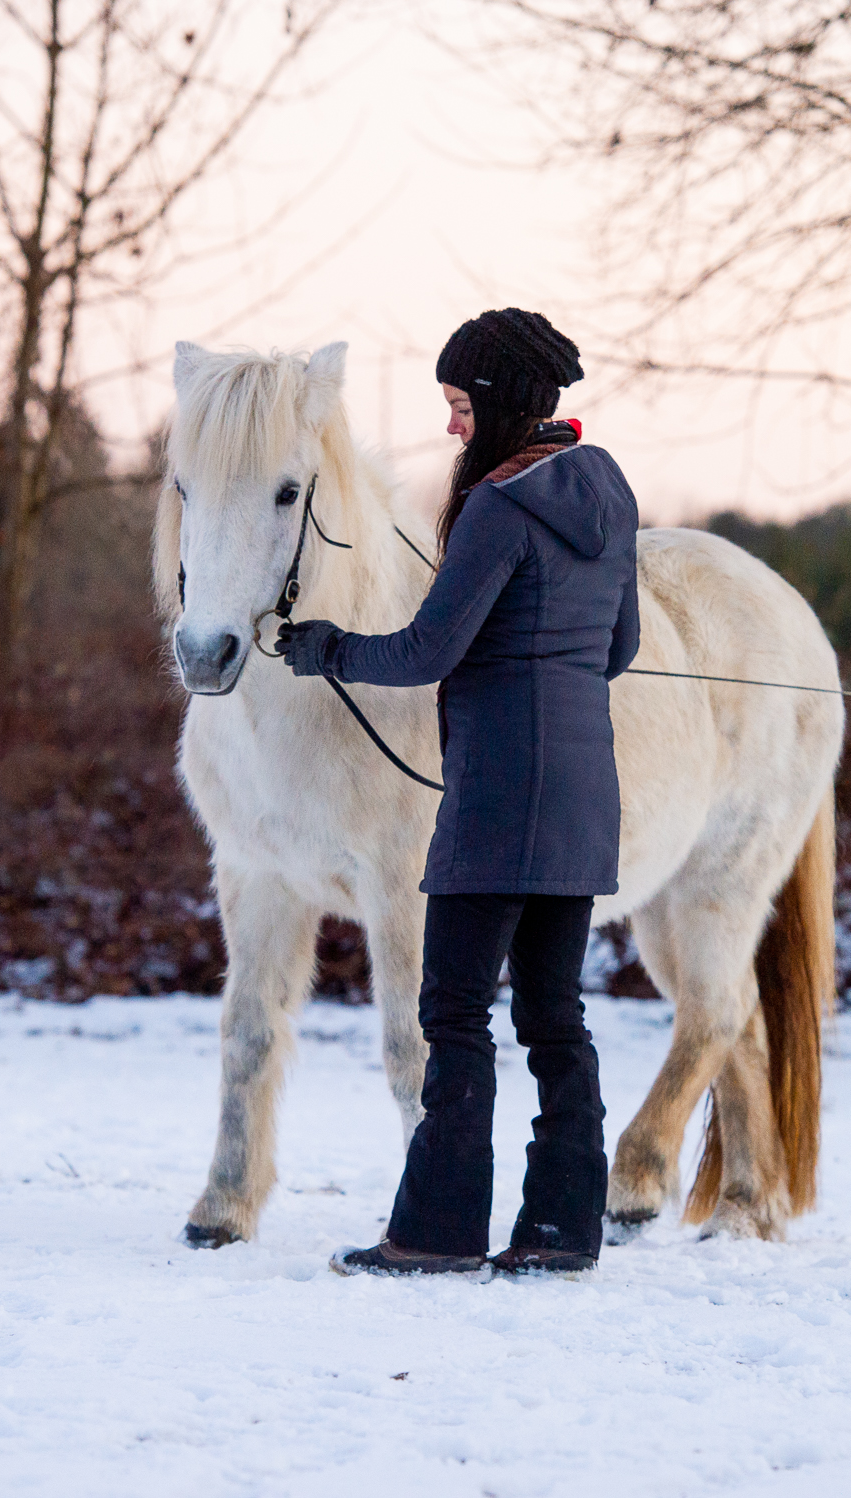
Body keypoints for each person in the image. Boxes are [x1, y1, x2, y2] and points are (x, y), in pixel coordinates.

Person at [277, 308, 640, 1278]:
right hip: (582, 799)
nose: (450, 429)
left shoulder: (497, 508)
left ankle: (435, 1230)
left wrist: (327, 649)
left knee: (454, 1015)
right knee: (555, 1018)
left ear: (497, 403)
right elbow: (620, 650)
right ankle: (562, 1228)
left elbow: (429, 649)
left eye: (457, 406)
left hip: (493, 802)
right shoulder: (607, 489)